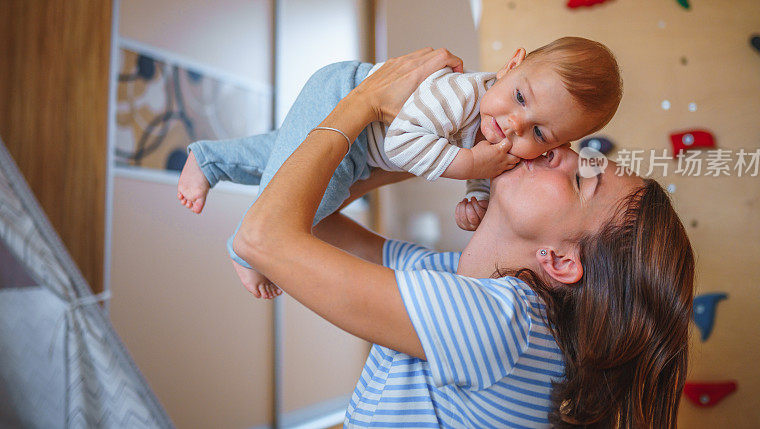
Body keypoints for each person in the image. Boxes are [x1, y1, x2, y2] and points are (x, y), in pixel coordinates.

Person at [231, 49, 696, 427]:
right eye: (579, 153)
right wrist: (417, 154)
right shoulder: (473, 286)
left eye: (581, 181)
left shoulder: (500, 326)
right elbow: (311, 222)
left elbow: (262, 237)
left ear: (559, 261)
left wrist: (361, 103)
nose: (558, 152)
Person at [177, 37, 623, 299]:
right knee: (314, 191)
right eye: (521, 98)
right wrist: (467, 163)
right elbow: (403, 141)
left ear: (558, 143)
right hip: (343, 99)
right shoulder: (461, 94)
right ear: (511, 65)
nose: (513, 125)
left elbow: (479, 160)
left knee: (280, 154)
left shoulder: (497, 128)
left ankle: (209, 159)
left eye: (540, 134)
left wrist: (476, 194)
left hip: (358, 142)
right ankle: (244, 247)